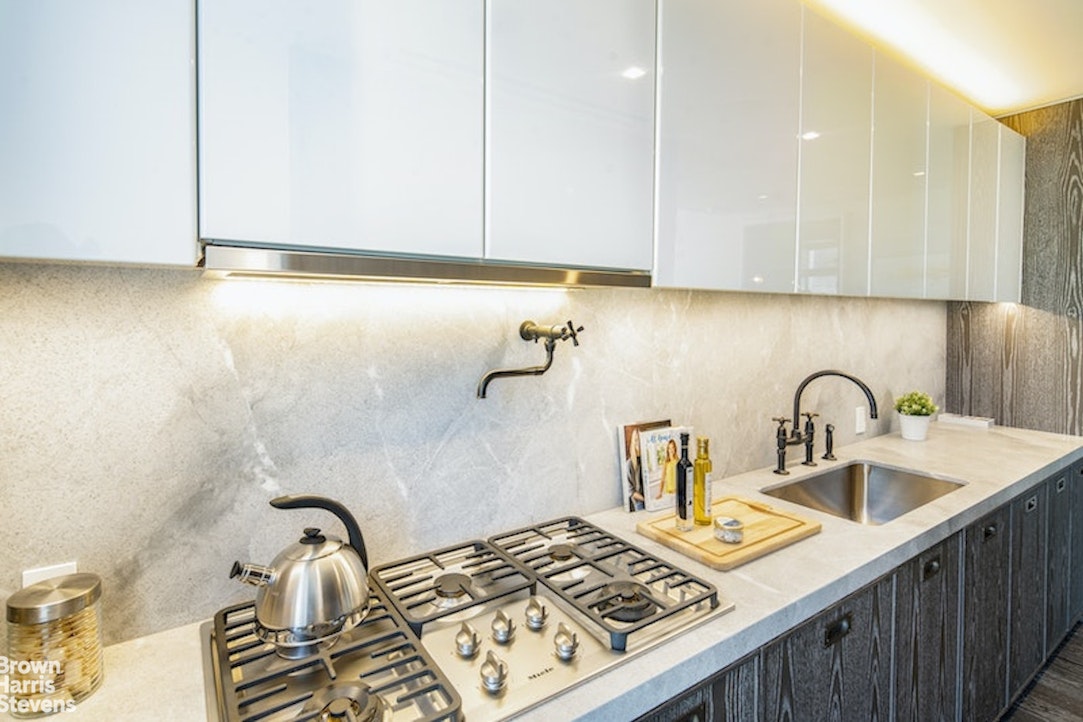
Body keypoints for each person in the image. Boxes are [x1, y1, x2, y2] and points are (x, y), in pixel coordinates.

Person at [626, 428, 646, 511]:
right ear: (633, 442)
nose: (639, 443)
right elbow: (631, 491)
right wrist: (645, 500)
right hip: (639, 501)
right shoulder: (629, 463)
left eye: (641, 440)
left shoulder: (645, 459)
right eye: (637, 440)